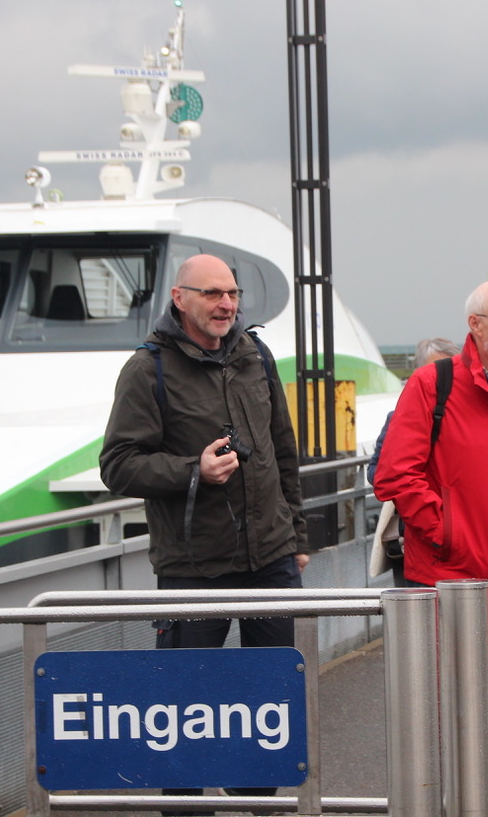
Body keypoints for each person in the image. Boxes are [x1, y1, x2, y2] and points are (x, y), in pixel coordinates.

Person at [99, 253, 307, 814]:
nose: (227, 305)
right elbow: (117, 465)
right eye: (213, 294)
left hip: (270, 559)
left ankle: (256, 804)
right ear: (179, 298)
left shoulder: (254, 354)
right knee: (185, 708)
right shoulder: (149, 369)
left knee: (268, 702)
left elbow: (281, 447)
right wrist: (194, 469)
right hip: (194, 567)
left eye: (233, 294)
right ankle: (187, 810)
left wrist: (298, 534)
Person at [374, 279, 488, 714]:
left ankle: (480, 785)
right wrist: (447, 534)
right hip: (448, 576)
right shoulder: (431, 384)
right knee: (443, 703)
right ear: (475, 325)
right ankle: (438, 785)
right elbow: (395, 474)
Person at [366, 337, 462, 585]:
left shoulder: (471, 418)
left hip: (460, 538)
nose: (444, 378)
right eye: (436, 370)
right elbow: (378, 472)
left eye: (450, 369)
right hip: (415, 539)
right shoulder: (399, 417)